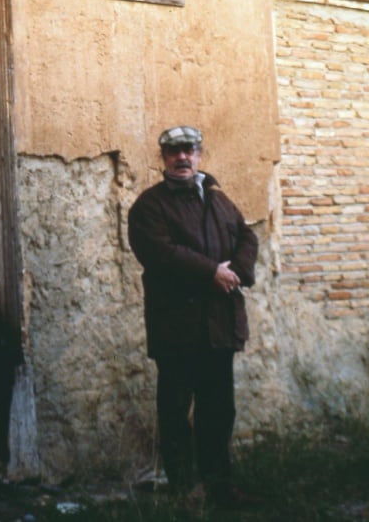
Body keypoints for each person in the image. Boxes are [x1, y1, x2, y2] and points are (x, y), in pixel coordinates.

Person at [127, 125, 258, 507]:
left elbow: (246, 236)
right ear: (162, 158)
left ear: (200, 154)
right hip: (177, 329)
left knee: (219, 410)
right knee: (175, 411)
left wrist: (237, 271)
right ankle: (186, 491)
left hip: (218, 323)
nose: (182, 158)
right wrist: (210, 272)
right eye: (173, 152)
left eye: (189, 150)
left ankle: (218, 485)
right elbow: (160, 253)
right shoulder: (150, 206)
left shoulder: (218, 200)